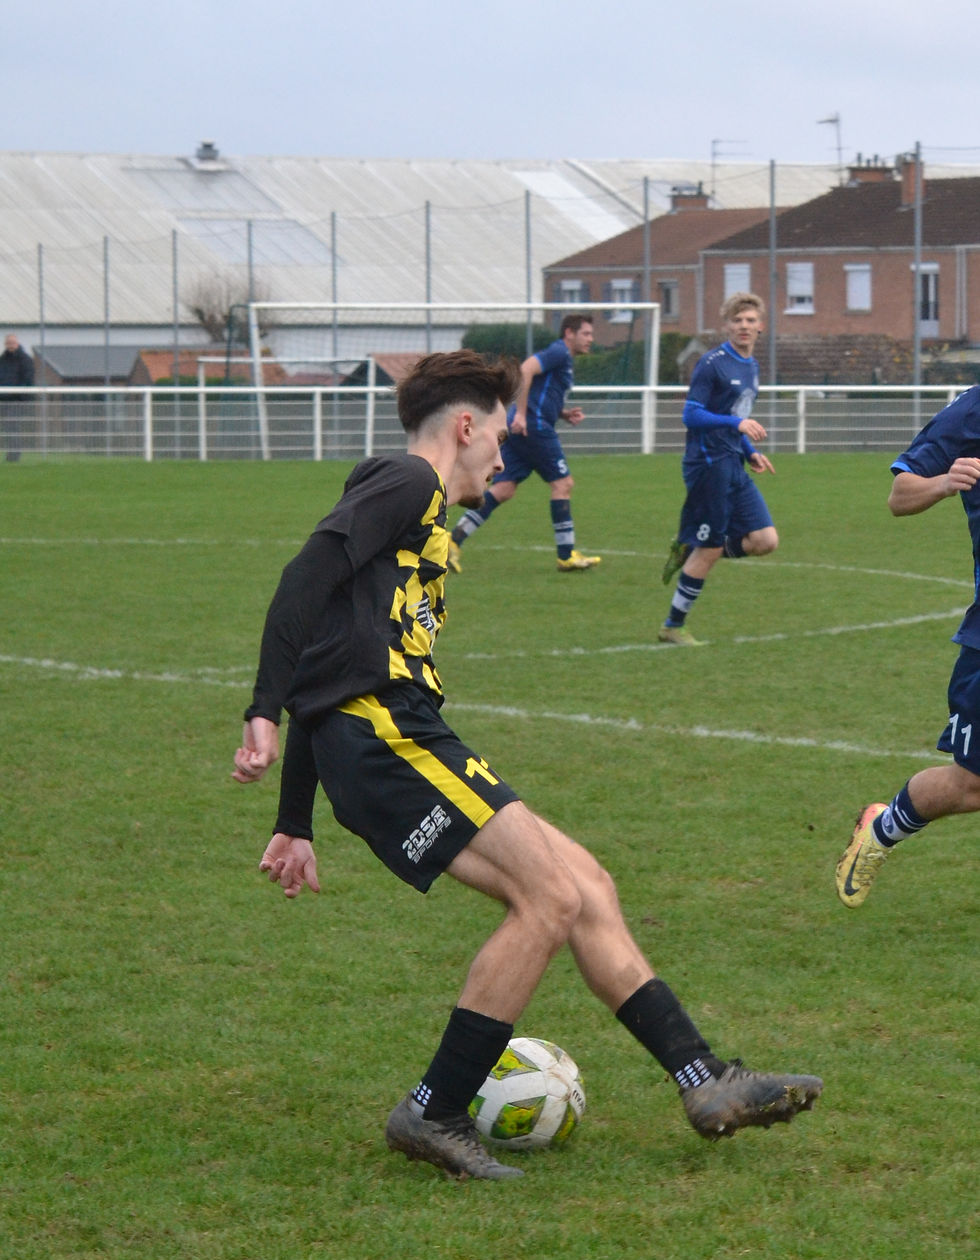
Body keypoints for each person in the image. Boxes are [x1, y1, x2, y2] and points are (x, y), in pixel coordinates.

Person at [233, 348, 822, 1181]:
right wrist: (261, 711)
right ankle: (434, 1110)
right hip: (385, 737)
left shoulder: (416, 504)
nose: (505, 452)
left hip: (392, 735)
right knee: (547, 898)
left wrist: (295, 818)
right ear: (463, 427)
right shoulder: (408, 481)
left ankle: (705, 1080)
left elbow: (327, 650)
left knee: (586, 883)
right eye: (501, 434)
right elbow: (303, 581)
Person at [835, 388, 980, 907]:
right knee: (971, 784)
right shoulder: (971, 411)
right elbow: (901, 496)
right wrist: (944, 482)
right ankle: (882, 829)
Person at [659, 293, 777, 646]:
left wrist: (750, 451)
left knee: (765, 540)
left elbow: (735, 417)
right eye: (737, 320)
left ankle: (690, 546)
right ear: (726, 325)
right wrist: (736, 425)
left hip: (733, 460)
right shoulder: (712, 364)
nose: (744, 326)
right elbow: (691, 414)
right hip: (708, 464)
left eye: (750, 320)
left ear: (761, 326)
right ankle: (673, 626)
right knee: (709, 549)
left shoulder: (751, 367)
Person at [447, 314, 601, 573]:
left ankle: (453, 541)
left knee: (504, 489)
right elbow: (525, 370)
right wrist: (520, 413)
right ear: (569, 333)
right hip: (533, 427)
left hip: (526, 427)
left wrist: (563, 413)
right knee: (563, 484)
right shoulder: (559, 352)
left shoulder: (563, 358)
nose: (590, 339)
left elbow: (543, 393)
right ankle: (566, 555)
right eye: (586, 333)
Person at [0, 333, 35, 462]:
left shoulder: (25, 360)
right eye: (8, 343)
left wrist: (18, 394)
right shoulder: (3, 359)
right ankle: (11, 454)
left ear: (17, 344)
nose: (10, 345)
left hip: (16, 400)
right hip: (3, 400)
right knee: (7, 428)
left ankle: (14, 455)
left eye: (12, 343)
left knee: (13, 427)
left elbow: (28, 379)